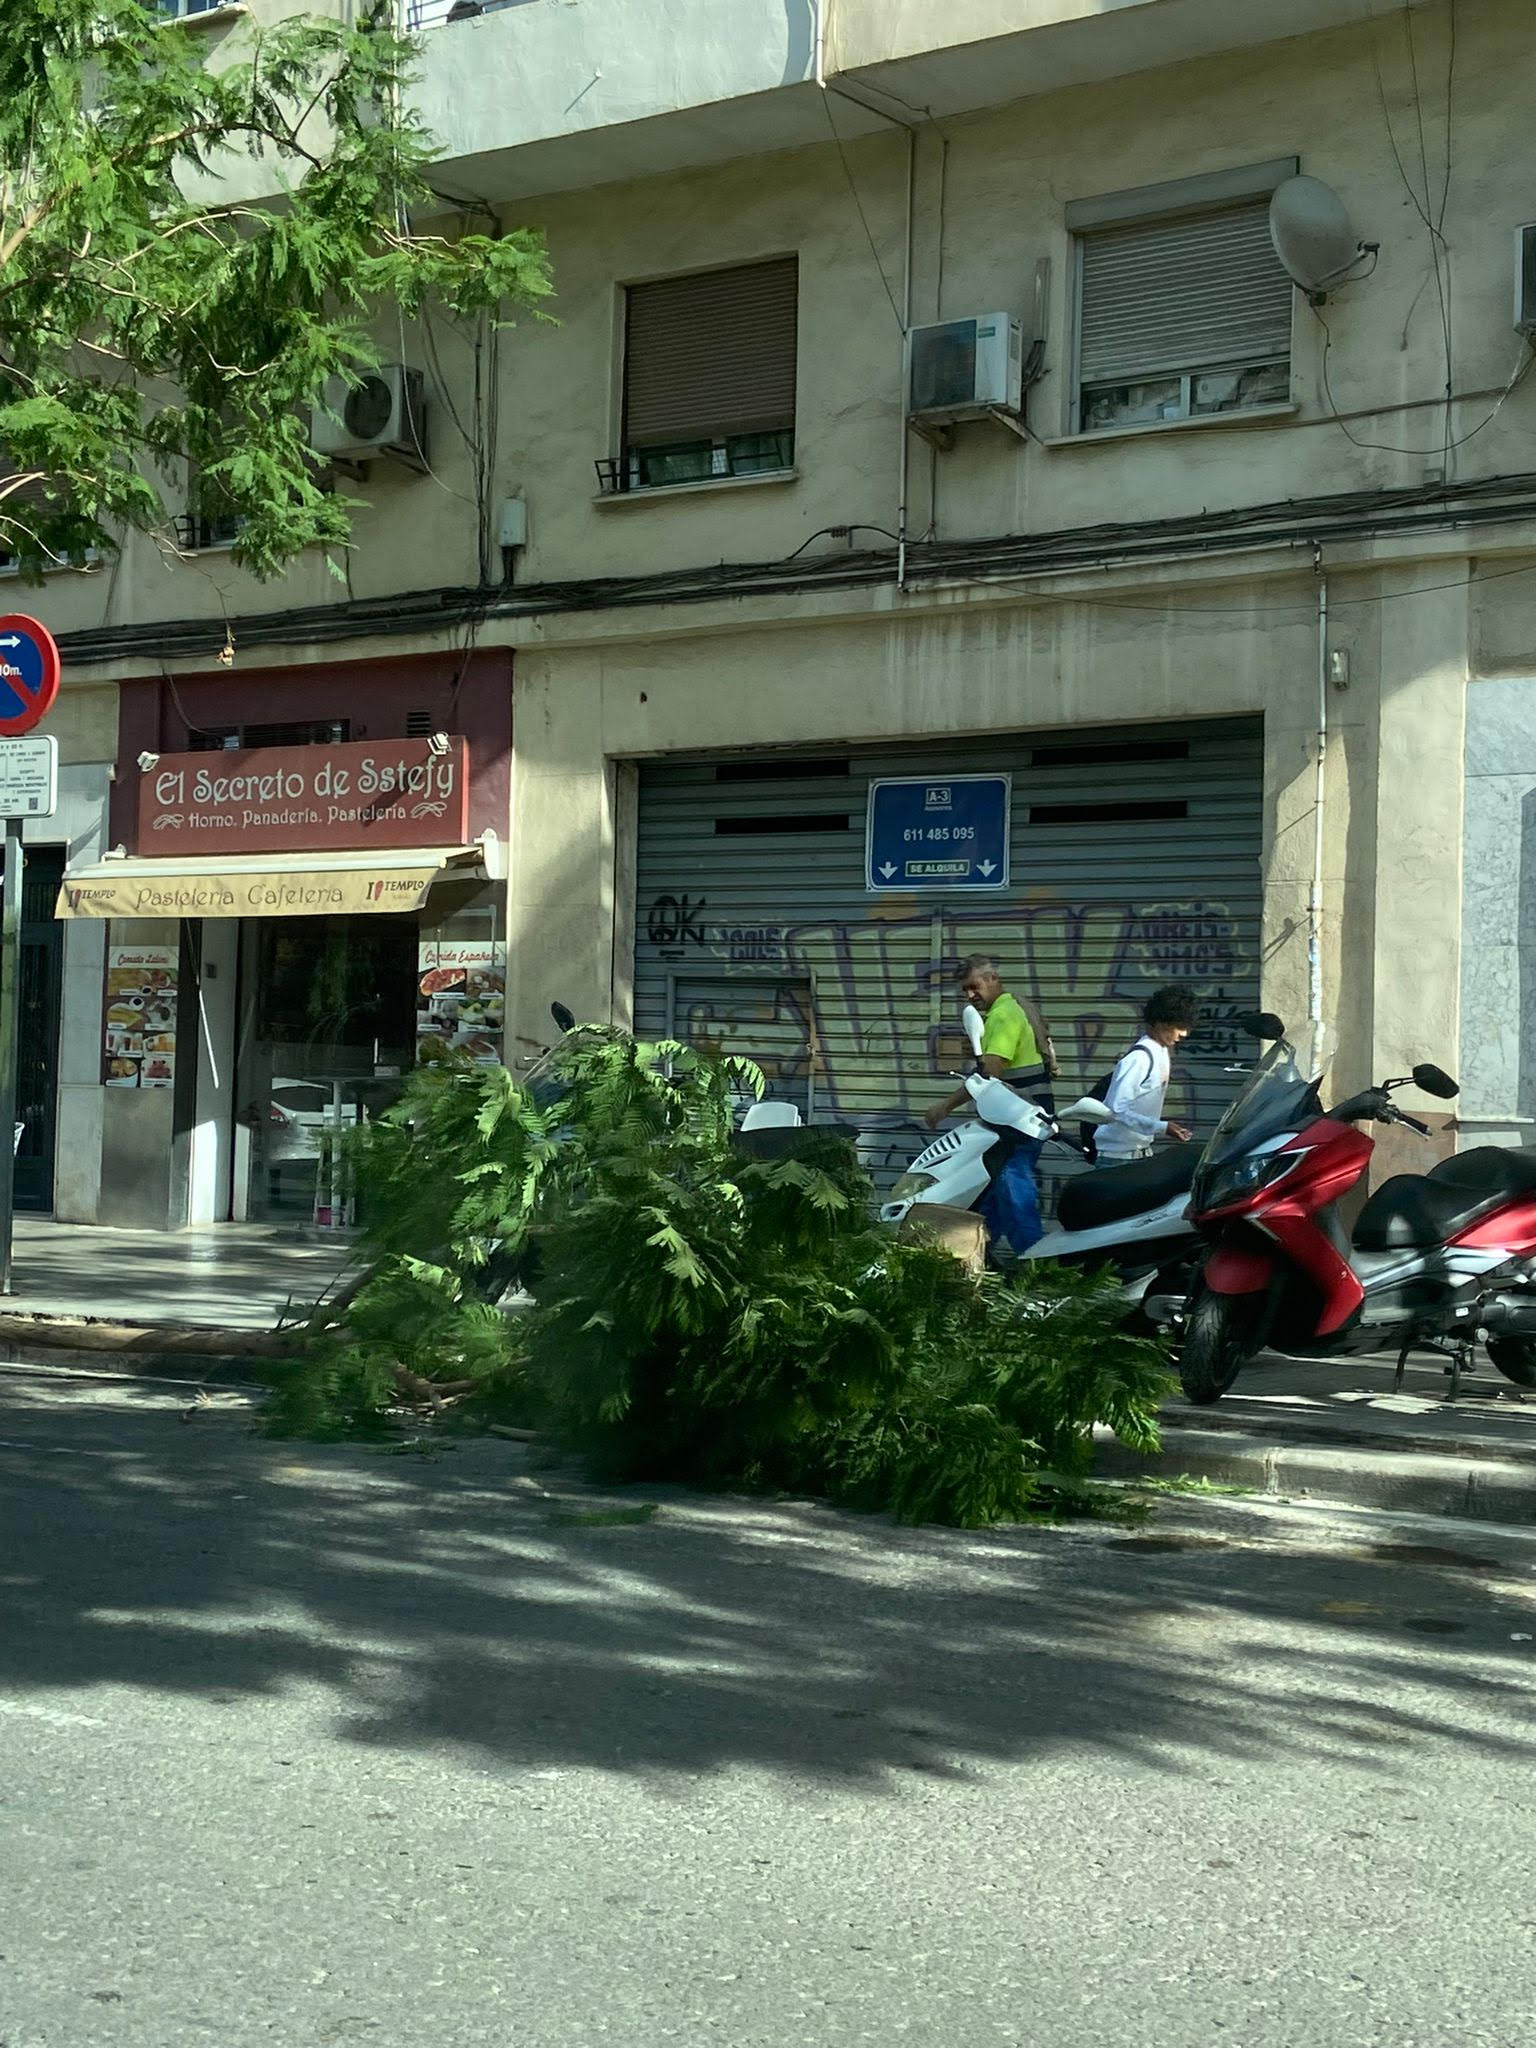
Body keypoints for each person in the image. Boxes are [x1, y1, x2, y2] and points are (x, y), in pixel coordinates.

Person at [924, 954, 1059, 1258]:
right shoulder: (1017, 1005)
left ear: (992, 979)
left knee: (1015, 1199)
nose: (970, 996)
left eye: (974, 987)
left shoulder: (1002, 1016)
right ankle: (973, 1262)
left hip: (1018, 1123)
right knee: (995, 1199)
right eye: (964, 991)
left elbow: (990, 1074)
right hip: (1025, 1118)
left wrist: (945, 1105)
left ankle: (1037, 1270)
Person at [1094, 984, 1200, 1166]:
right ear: (1160, 1022)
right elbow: (1117, 1110)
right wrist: (1162, 1127)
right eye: (1178, 1026)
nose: (1184, 1033)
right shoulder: (1139, 1058)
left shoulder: (1161, 1052)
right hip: (1118, 1160)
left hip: (1139, 1154)